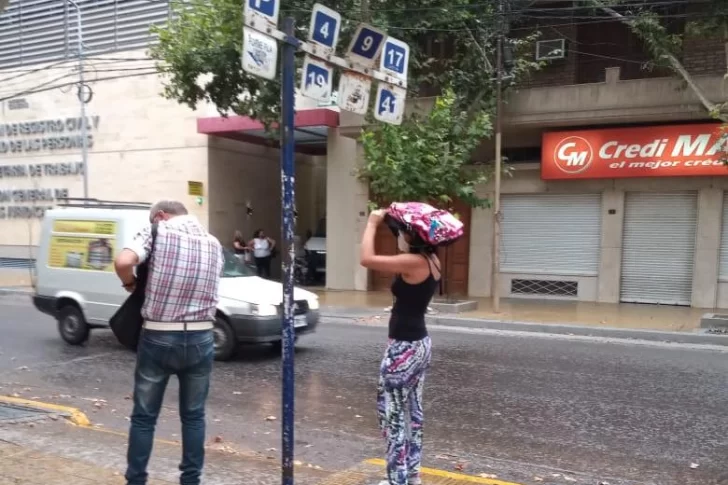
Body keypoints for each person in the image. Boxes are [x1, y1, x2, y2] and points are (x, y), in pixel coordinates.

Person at [113, 200, 224, 485]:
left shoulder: (157, 231)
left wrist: (130, 284)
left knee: (144, 418)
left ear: (161, 216)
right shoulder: (213, 243)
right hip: (201, 337)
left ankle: (136, 480)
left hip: (159, 335)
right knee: (194, 417)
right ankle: (191, 480)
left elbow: (124, 262)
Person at [359, 208, 441, 485]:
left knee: (391, 415)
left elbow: (366, 259)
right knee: (414, 411)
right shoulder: (432, 260)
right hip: (419, 344)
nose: (399, 235)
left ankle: (397, 480)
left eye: (401, 230)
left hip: (404, 349)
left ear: (412, 236)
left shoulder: (413, 261)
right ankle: (410, 476)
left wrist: (372, 223)